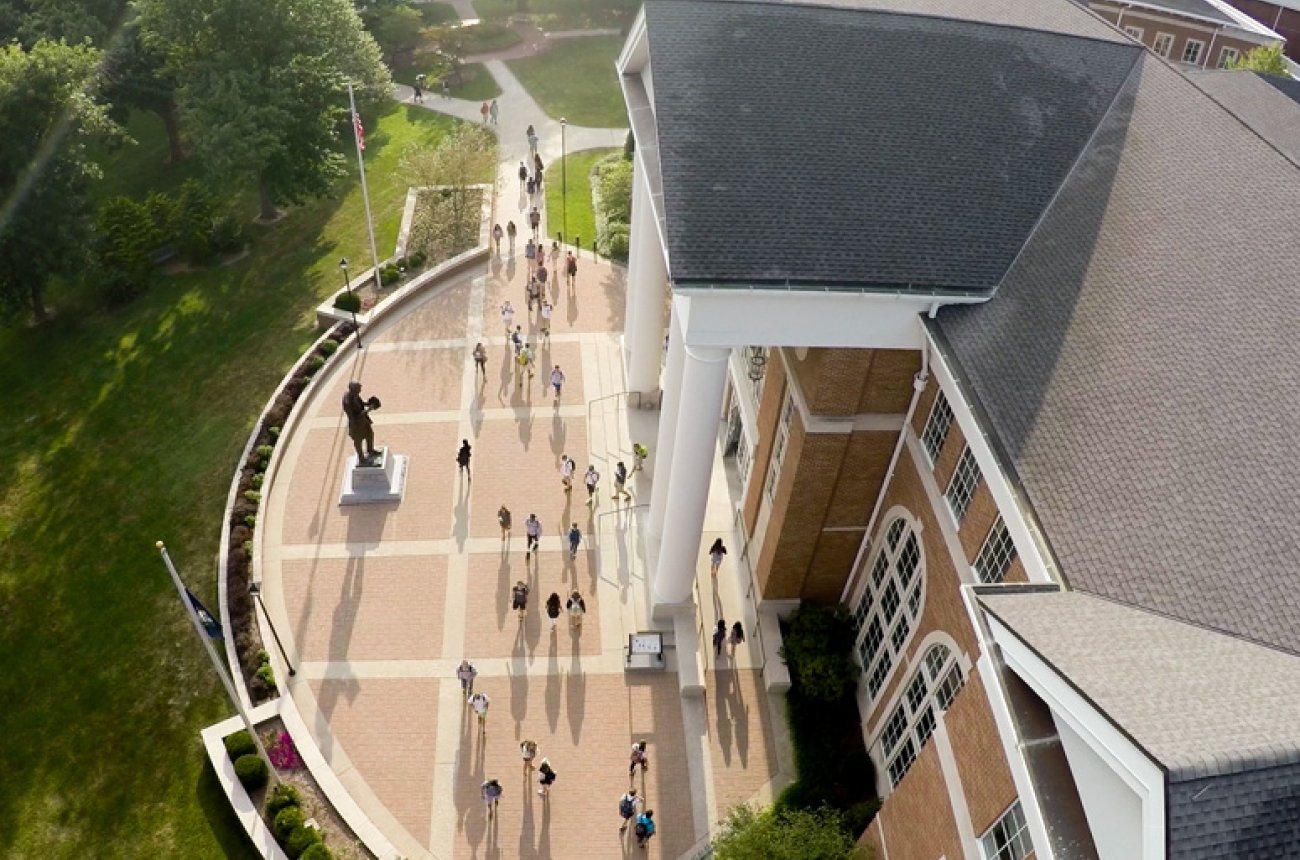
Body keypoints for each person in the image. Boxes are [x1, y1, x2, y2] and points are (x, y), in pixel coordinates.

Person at [342, 381, 379, 464]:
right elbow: (354, 417)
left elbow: (361, 403)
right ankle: (361, 459)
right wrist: (368, 410)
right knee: (358, 442)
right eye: (359, 388)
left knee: (370, 434)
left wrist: (368, 403)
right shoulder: (347, 402)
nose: (360, 390)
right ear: (353, 389)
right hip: (356, 425)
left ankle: (370, 450)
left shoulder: (355, 395)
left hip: (364, 420)